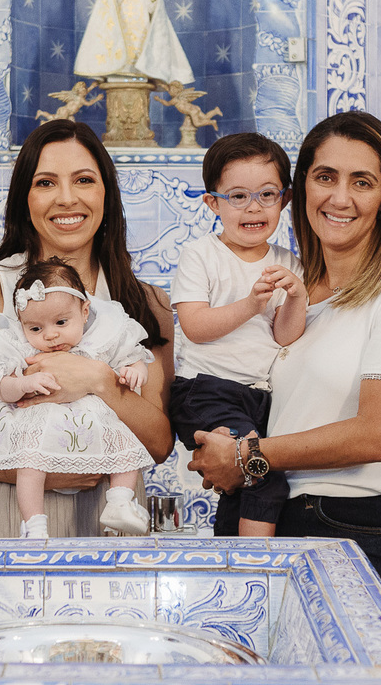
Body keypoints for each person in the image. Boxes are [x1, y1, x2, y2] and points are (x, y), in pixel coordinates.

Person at [188, 111, 381, 625]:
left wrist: (246, 456)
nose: (340, 198)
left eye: (362, 182)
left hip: (352, 527)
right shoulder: (288, 289)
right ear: (301, 188)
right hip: (263, 513)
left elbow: (376, 435)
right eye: (325, 176)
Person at [0, 119, 174, 538]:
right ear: (24, 199)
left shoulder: (147, 304)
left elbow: (159, 444)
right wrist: (46, 472)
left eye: (84, 180)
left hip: (106, 518)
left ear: (106, 194)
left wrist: (99, 380)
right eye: (45, 183)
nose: (66, 198)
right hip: (5, 513)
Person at [0, 259, 155, 538]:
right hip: (40, 423)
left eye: (61, 322)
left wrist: (134, 371)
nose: (50, 335)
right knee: (30, 464)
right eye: (35, 329)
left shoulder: (103, 336)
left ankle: (120, 502)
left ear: (84, 311)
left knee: (125, 448)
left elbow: (134, 358)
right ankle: (34, 524)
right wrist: (23, 383)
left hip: (95, 425)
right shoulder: (17, 345)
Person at [169, 133, 305, 537]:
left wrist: (297, 296)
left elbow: (284, 337)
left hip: (258, 396)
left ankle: (231, 556)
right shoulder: (201, 255)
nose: (253, 207)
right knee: (263, 476)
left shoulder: (287, 261)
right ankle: (255, 563)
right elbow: (195, 327)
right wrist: (250, 304)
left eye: (267, 194)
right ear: (213, 203)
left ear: (285, 199)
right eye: (238, 196)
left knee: (241, 486)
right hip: (207, 390)